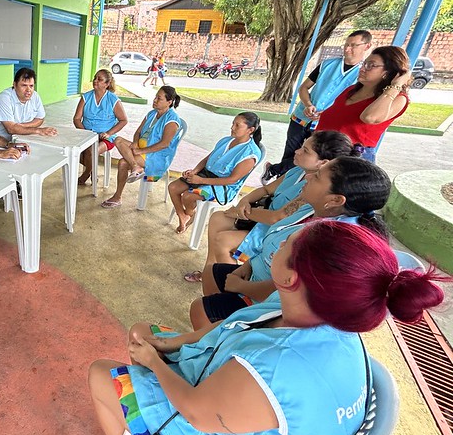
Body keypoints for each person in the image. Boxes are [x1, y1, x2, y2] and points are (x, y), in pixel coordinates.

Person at [89, 220, 447, 435]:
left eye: (285, 244)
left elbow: (198, 414)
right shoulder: (315, 309)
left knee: (100, 373)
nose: (276, 245)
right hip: (235, 401)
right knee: (141, 331)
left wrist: (156, 362)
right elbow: (235, 323)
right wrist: (174, 342)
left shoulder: (277, 367)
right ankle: (135, 427)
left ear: (291, 277)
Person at [190, 156, 392, 330]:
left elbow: (287, 288)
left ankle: (221, 343)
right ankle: (220, 328)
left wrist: (242, 286)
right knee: (212, 273)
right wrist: (248, 265)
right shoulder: (312, 207)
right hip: (258, 274)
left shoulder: (328, 242)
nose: (310, 176)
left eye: (319, 176)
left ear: (337, 200)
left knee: (199, 310)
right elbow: (274, 236)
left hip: (277, 302)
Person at [183, 130, 357, 282]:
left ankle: (229, 284)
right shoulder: (297, 171)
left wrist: (244, 212)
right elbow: (266, 189)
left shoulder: (315, 190)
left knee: (223, 241)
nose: (296, 151)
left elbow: (278, 218)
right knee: (218, 218)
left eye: (305, 150)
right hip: (261, 219)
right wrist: (245, 202)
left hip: (275, 233)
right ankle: (209, 272)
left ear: (323, 163)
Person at [263, 30, 372, 180]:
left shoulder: (363, 75)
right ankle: (277, 182)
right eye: (346, 44)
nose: (347, 49)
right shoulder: (327, 65)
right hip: (301, 117)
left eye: (353, 45)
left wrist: (326, 114)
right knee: (292, 153)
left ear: (367, 46)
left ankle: (276, 172)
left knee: (311, 160)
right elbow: (304, 87)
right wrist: (308, 104)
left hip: (325, 125)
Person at [168, 113, 262, 234]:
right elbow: (208, 158)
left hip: (223, 186)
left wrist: (200, 181)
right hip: (205, 175)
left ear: (251, 130)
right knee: (173, 187)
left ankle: (189, 214)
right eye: (233, 124)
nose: (232, 128)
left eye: (237, 125)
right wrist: (194, 171)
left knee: (188, 196)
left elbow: (232, 180)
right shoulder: (226, 141)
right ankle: (184, 216)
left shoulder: (250, 154)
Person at [315, 45, 411, 163]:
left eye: (371, 65)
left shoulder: (398, 98)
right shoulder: (351, 90)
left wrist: (396, 85)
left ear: (389, 72)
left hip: (351, 158)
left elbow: (369, 117)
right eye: (364, 64)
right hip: (322, 151)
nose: (363, 69)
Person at [101, 86, 181, 208]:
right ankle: (135, 166)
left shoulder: (172, 120)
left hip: (156, 156)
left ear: (169, 102)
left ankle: (117, 197)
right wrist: (135, 143)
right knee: (117, 140)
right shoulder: (152, 114)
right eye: (155, 97)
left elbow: (165, 144)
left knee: (123, 162)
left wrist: (141, 150)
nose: (155, 100)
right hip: (141, 149)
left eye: (159, 98)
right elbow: (138, 132)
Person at [72, 69, 128, 185]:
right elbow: (76, 119)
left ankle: (85, 174)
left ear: (107, 84)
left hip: (106, 138)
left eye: (100, 79)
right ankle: (91, 171)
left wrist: (109, 133)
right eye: (95, 78)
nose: (95, 81)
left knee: (91, 151)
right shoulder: (86, 97)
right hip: (86, 135)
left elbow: (123, 120)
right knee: (72, 153)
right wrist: (85, 133)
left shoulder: (113, 100)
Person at [0, 67, 57, 140]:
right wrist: (38, 130)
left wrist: (19, 127)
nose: (28, 90)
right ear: (15, 85)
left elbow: (40, 119)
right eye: (24, 85)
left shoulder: (35, 96)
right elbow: (11, 129)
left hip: (22, 139)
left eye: (31, 86)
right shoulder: (4, 98)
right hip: (0, 142)